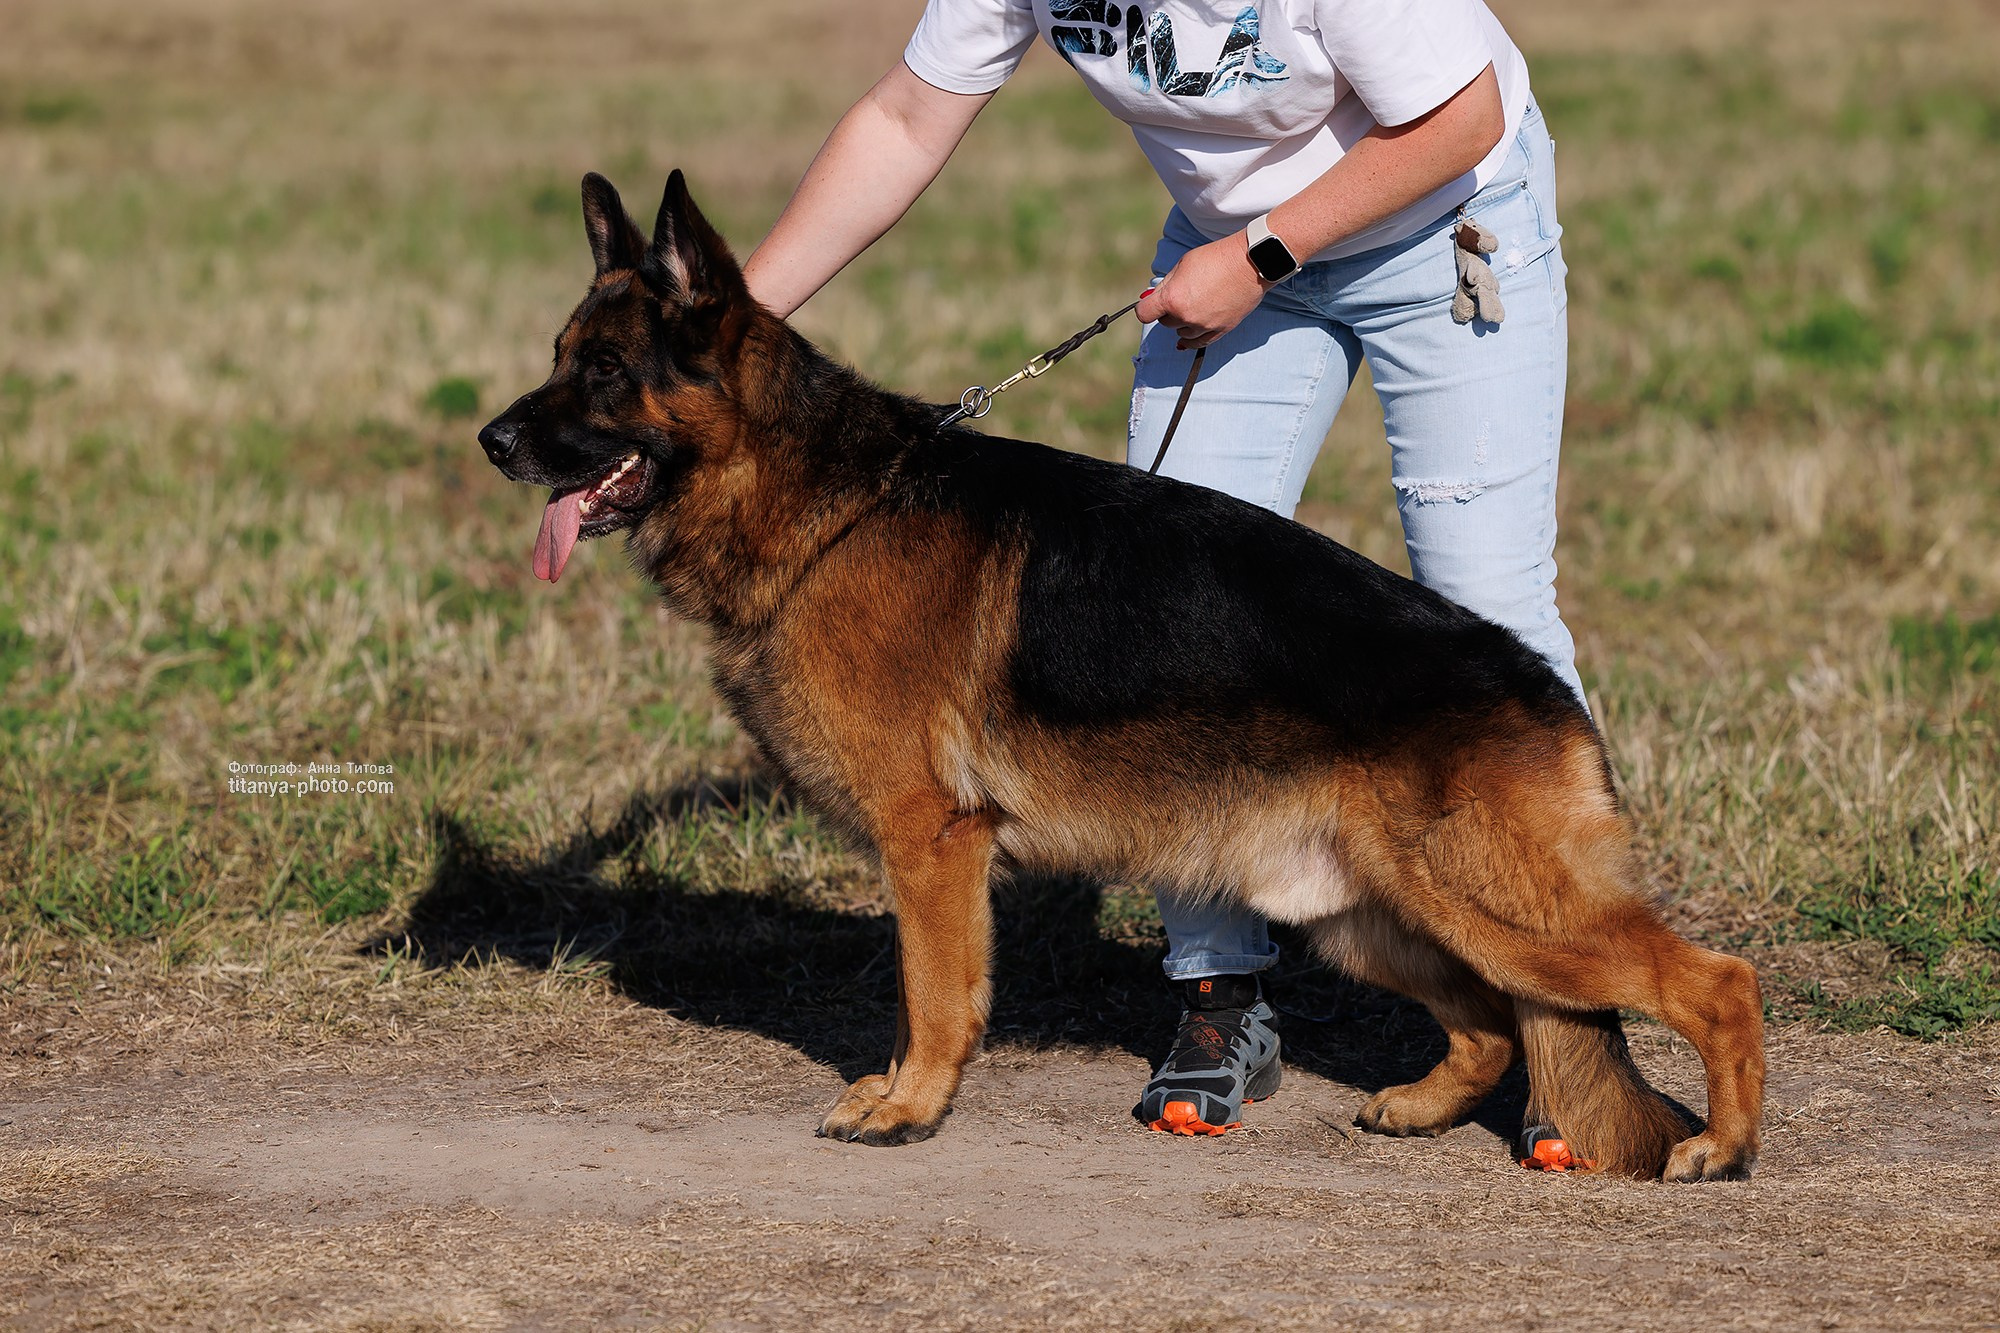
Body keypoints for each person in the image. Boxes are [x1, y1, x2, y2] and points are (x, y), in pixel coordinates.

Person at [742, 0, 1581, 1137]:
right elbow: (903, 116)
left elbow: (1457, 117)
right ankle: (1217, 993)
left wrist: (1264, 252)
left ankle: (1568, 1023)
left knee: (1484, 607)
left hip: (1441, 218)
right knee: (1162, 626)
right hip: (1229, 243)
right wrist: (726, 331)